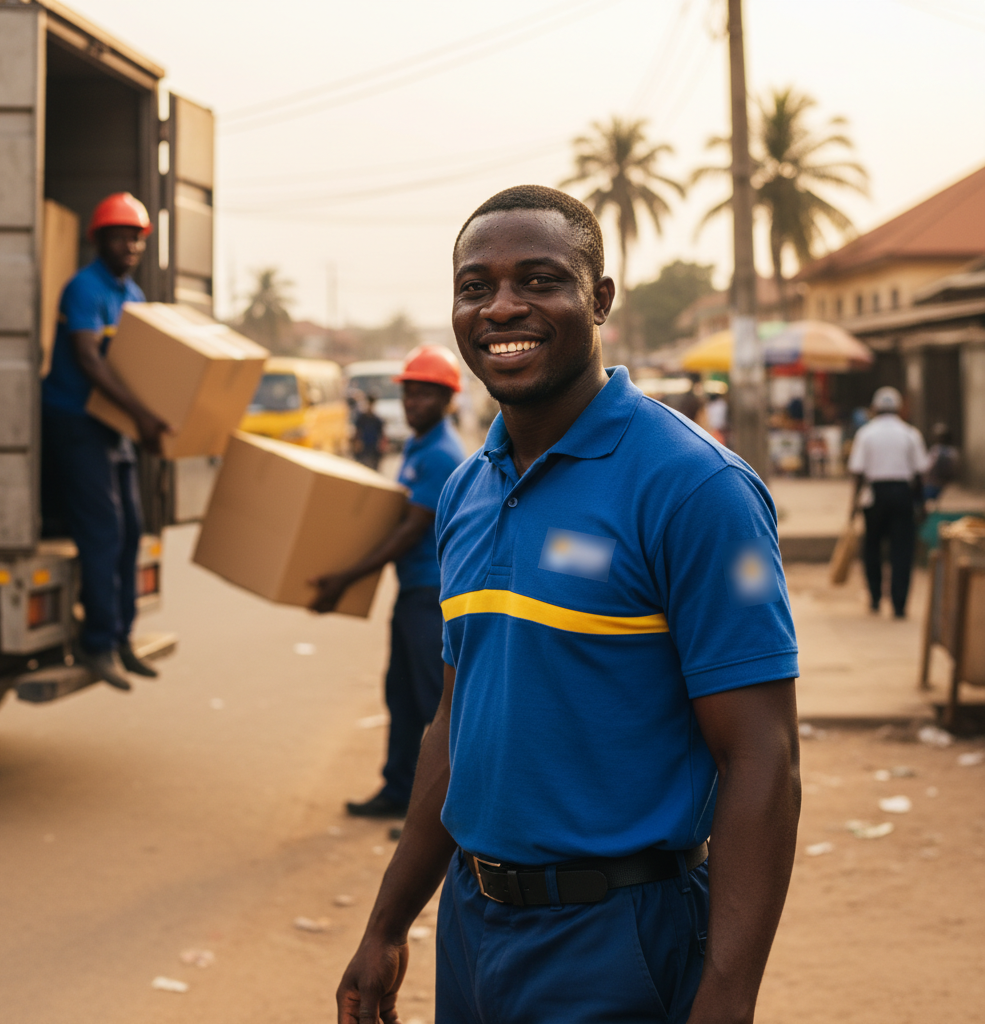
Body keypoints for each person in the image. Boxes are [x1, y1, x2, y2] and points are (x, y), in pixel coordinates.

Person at [335, 186, 801, 1024]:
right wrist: (388, 924)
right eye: (475, 286)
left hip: (619, 936)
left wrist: (727, 999)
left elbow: (762, 757)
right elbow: (454, 726)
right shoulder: (468, 492)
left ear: (600, 299)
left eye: (539, 280)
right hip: (474, 929)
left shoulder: (699, 489)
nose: (503, 306)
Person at [312, 346, 465, 819]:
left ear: (447, 400)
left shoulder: (440, 453)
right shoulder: (420, 446)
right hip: (412, 591)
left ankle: (440, 817)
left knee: (431, 706)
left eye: (424, 395)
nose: (413, 403)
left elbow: (409, 530)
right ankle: (398, 791)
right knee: (399, 695)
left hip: (431, 594)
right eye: (409, 394)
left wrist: (345, 577)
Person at [40, 193, 169, 691]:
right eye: (120, 235)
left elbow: (140, 368)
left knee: (132, 529)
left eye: (136, 237)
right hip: (76, 420)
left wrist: (153, 422)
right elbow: (91, 363)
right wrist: (144, 417)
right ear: (99, 240)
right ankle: (96, 644)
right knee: (103, 532)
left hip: (112, 426)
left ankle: (120, 637)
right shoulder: (83, 290)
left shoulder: (132, 295)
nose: (130, 244)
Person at [848, 386, 929, 618]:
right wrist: (921, 504)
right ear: (899, 409)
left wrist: (852, 506)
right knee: (902, 550)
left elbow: (858, 473)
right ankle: (899, 604)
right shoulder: (910, 433)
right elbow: (919, 474)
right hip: (902, 494)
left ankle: (874, 598)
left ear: (875, 409)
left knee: (872, 547)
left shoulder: (866, 433)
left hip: (875, 496)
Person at [923, 422, 960, 502]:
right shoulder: (951, 452)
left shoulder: (939, 451)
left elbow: (928, 467)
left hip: (936, 484)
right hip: (938, 483)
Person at [353, 394, 385, 470]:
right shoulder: (362, 419)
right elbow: (357, 433)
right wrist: (357, 444)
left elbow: (381, 435)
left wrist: (381, 448)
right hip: (363, 449)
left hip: (373, 450)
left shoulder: (377, 420)